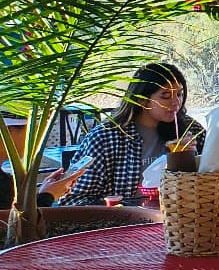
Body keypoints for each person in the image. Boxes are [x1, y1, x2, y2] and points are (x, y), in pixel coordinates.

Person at [62, 63, 204, 206]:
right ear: (142, 100)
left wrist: (189, 158)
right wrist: (120, 209)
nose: (176, 102)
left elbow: (216, 177)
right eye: (165, 96)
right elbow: (72, 200)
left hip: (180, 219)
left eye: (179, 94)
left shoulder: (190, 129)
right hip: (125, 223)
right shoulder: (106, 137)